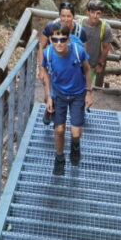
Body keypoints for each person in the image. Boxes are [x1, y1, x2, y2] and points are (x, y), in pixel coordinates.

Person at [41, 23, 93, 175]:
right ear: (50, 39)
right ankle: (59, 158)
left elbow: (87, 69)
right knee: (59, 130)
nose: (59, 43)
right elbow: (46, 74)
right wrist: (48, 96)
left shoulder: (78, 51)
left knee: (75, 133)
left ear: (68, 40)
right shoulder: (48, 53)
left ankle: (75, 146)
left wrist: (89, 92)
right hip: (59, 94)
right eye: (55, 39)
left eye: (62, 40)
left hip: (77, 94)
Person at [37, 3, 87, 123]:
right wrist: (40, 68)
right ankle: (49, 109)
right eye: (63, 16)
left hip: (72, 66)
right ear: (59, 16)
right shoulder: (51, 27)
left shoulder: (80, 32)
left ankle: (78, 113)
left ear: (73, 17)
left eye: (68, 16)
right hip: (52, 63)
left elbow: (84, 52)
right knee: (49, 89)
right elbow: (41, 45)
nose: (65, 19)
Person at [84, 0, 115, 89]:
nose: (95, 16)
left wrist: (100, 64)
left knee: (86, 89)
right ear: (88, 12)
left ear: (101, 14)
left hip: (91, 65)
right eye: (92, 12)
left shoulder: (105, 28)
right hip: (76, 63)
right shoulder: (79, 23)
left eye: (98, 13)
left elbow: (106, 48)